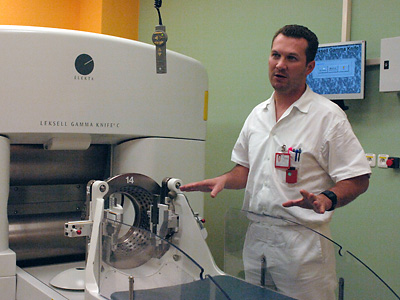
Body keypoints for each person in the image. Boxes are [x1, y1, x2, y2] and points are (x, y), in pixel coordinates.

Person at [180, 24, 371, 300]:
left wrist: (327, 198)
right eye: (275, 55)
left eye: (291, 58)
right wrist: (224, 178)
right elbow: (245, 170)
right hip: (256, 238)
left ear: (309, 67)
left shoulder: (328, 117)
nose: (280, 65)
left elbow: (358, 178)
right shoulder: (258, 114)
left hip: (301, 243)